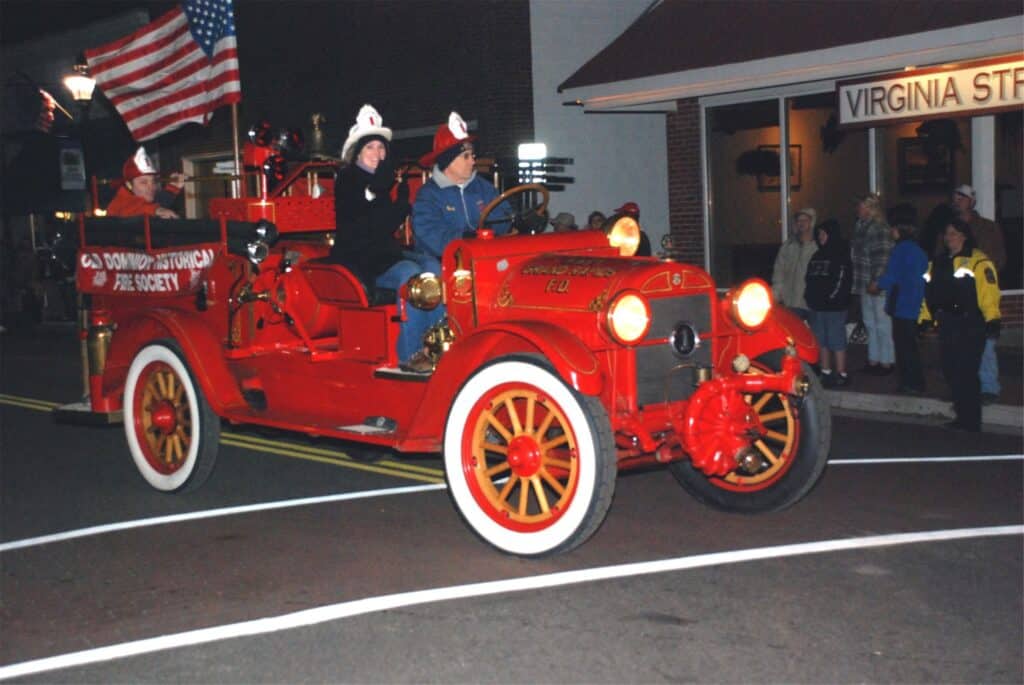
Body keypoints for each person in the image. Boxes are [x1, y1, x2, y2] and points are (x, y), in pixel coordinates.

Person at [330, 105, 440, 369]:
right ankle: (411, 354)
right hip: (360, 258)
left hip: (383, 252)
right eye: (370, 148)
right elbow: (369, 226)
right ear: (357, 152)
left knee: (435, 267)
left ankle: (436, 342)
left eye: (381, 148)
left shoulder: (380, 181)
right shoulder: (348, 179)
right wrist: (398, 204)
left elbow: (384, 229)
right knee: (411, 276)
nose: (377, 154)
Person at [407, 111, 512, 371]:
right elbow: (429, 233)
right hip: (441, 258)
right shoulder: (429, 195)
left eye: (472, 155)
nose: (472, 161)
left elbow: (503, 216)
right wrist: (461, 242)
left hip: (483, 256)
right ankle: (427, 348)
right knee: (432, 276)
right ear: (448, 161)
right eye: (466, 156)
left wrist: (513, 222)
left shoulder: (484, 188)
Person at [921, 219, 1001, 432]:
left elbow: (988, 292)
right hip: (948, 324)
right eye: (947, 234)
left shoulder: (978, 261)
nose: (950, 237)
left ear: (964, 236)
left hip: (971, 324)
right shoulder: (937, 262)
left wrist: (992, 319)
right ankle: (961, 414)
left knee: (967, 371)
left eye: (954, 233)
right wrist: (925, 317)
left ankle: (971, 420)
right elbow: (928, 291)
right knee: (950, 369)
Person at [952, 184, 1005, 404]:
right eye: (955, 197)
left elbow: (999, 258)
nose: (957, 200)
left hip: (981, 292)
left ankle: (989, 387)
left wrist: (982, 276)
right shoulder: (950, 228)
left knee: (985, 344)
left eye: (962, 197)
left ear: (972, 201)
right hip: (957, 294)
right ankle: (965, 385)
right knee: (959, 343)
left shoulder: (987, 228)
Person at [872, 206, 928, 394]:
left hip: (902, 304)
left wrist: (876, 285)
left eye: (893, 227)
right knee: (910, 346)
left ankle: (910, 383)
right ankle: (915, 382)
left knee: (904, 347)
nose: (891, 231)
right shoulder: (918, 250)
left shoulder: (900, 250)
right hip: (913, 304)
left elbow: (891, 276)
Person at [850, 193, 894, 375]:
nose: (857, 209)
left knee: (882, 323)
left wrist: (877, 280)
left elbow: (883, 257)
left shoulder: (879, 228)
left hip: (876, 284)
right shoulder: (860, 226)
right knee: (869, 323)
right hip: (863, 282)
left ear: (870, 208)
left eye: (860, 206)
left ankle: (887, 361)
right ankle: (874, 359)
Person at [804, 219, 852, 387]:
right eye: (819, 234)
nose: (821, 237)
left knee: (836, 340)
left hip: (834, 307)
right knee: (820, 340)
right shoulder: (817, 255)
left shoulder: (841, 255)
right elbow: (809, 278)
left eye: (824, 234)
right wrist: (809, 297)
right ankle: (825, 371)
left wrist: (830, 299)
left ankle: (841, 373)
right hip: (817, 307)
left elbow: (842, 281)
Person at [106, 146, 184, 218]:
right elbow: (136, 208)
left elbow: (156, 202)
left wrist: (173, 187)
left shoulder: (144, 200)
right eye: (144, 182)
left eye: (153, 181)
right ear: (129, 184)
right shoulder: (119, 204)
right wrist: (157, 210)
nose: (152, 187)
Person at [771, 208, 818, 321]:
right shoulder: (788, 246)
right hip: (791, 303)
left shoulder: (817, 246)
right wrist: (776, 295)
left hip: (812, 303)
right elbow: (779, 272)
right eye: (799, 220)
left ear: (812, 222)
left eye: (805, 220)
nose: (801, 223)